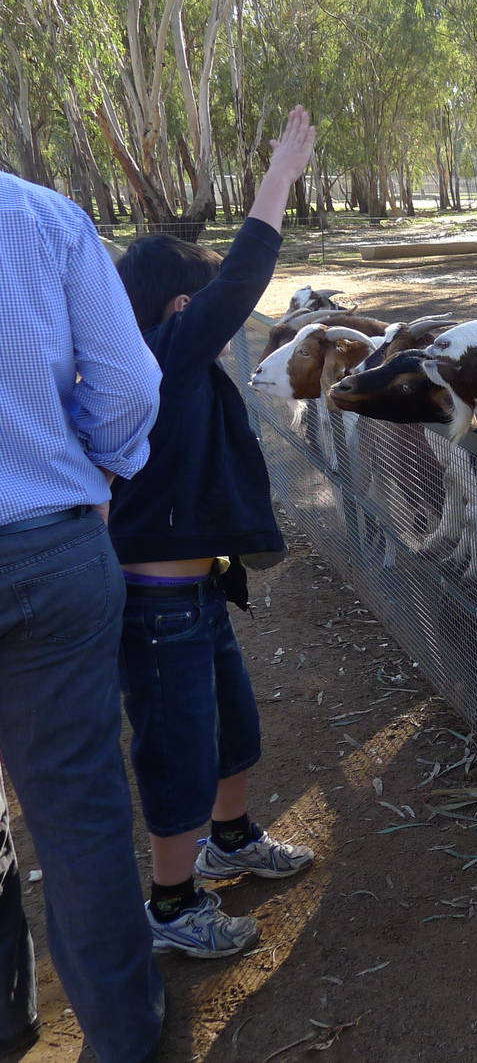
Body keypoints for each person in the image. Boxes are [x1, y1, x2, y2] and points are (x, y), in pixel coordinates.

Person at [111, 105, 318, 959]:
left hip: (196, 591)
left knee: (232, 727)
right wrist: (276, 184)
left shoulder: (156, 357)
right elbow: (240, 282)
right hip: (154, 609)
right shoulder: (157, 356)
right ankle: (171, 902)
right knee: (176, 749)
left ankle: (230, 840)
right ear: (180, 304)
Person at [0, 172, 165, 1061]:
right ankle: (124, 1036)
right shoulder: (38, 218)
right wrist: (100, 470)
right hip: (43, 547)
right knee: (76, 811)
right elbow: (128, 378)